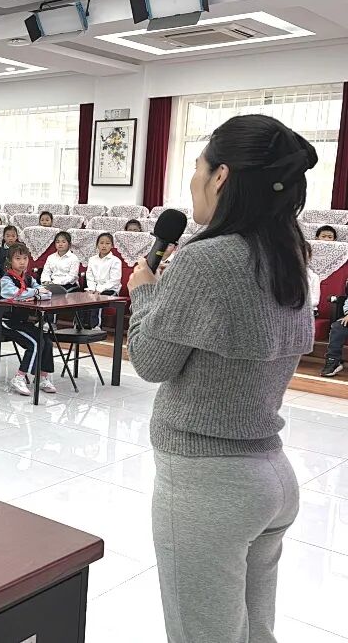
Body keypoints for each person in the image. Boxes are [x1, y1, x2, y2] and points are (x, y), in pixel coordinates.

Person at [126, 114, 314, 643]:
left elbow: (151, 362)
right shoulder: (289, 254)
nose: (193, 181)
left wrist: (145, 291)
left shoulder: (206, 259)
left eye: (197, 168)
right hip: (271, 476)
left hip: (210, 485)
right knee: (255, 632)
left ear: (222, 176)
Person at [0, 242, 55, 396]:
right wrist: (34, 293)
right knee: (35, 343)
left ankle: (42, 377)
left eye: (25, 258)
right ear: (10, 261)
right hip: (8, 322)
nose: (22, 262)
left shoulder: (29, 279)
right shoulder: (6, 279)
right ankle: (19, 377)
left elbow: (47, 293)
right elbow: (14, 294)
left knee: (47, 341)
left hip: (24, 322)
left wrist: (34, 294)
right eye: (18, 259)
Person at [83, 233, 122, 328]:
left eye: (107, 243)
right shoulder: (92, 259)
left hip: (110, 289)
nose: (104, 246)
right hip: (94, 288)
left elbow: (115, 280)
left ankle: (96, 327)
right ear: (97, 245)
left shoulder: (115, 261)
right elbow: (89, 276)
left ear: (112, 245)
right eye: (101, 243)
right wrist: (92, 289)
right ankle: (80, 326)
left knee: (97, 299)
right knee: (82, 298)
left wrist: (99, 290)